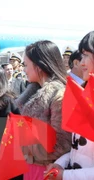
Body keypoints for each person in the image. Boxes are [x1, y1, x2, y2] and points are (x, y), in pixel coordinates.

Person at [15, 40, 72, 180]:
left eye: (26, 65)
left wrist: (24, 147)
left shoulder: (59, 95)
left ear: (39, 66)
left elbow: (62, 144)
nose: (24, 69)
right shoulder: (34, 93)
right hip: (32, 166)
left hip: (49, 170)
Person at [44, 31, 94, 180]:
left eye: (86, 55)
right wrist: (61, 163)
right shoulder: (88, 94)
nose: (81, 62)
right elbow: (79, 149)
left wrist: (65, 175)